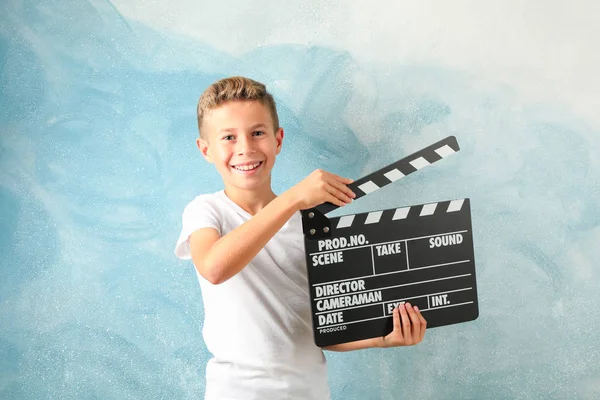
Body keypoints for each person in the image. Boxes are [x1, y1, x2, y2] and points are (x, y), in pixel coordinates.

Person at [174, 76, 427, 399]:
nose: (246, 148)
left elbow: (323, 328)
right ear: (206, 150)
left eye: (258, 133)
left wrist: (382, 338)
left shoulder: (308, 226)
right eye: (228, 137)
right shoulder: (206, 210)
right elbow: (214, 267)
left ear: (278, 140)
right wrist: (292, 199)